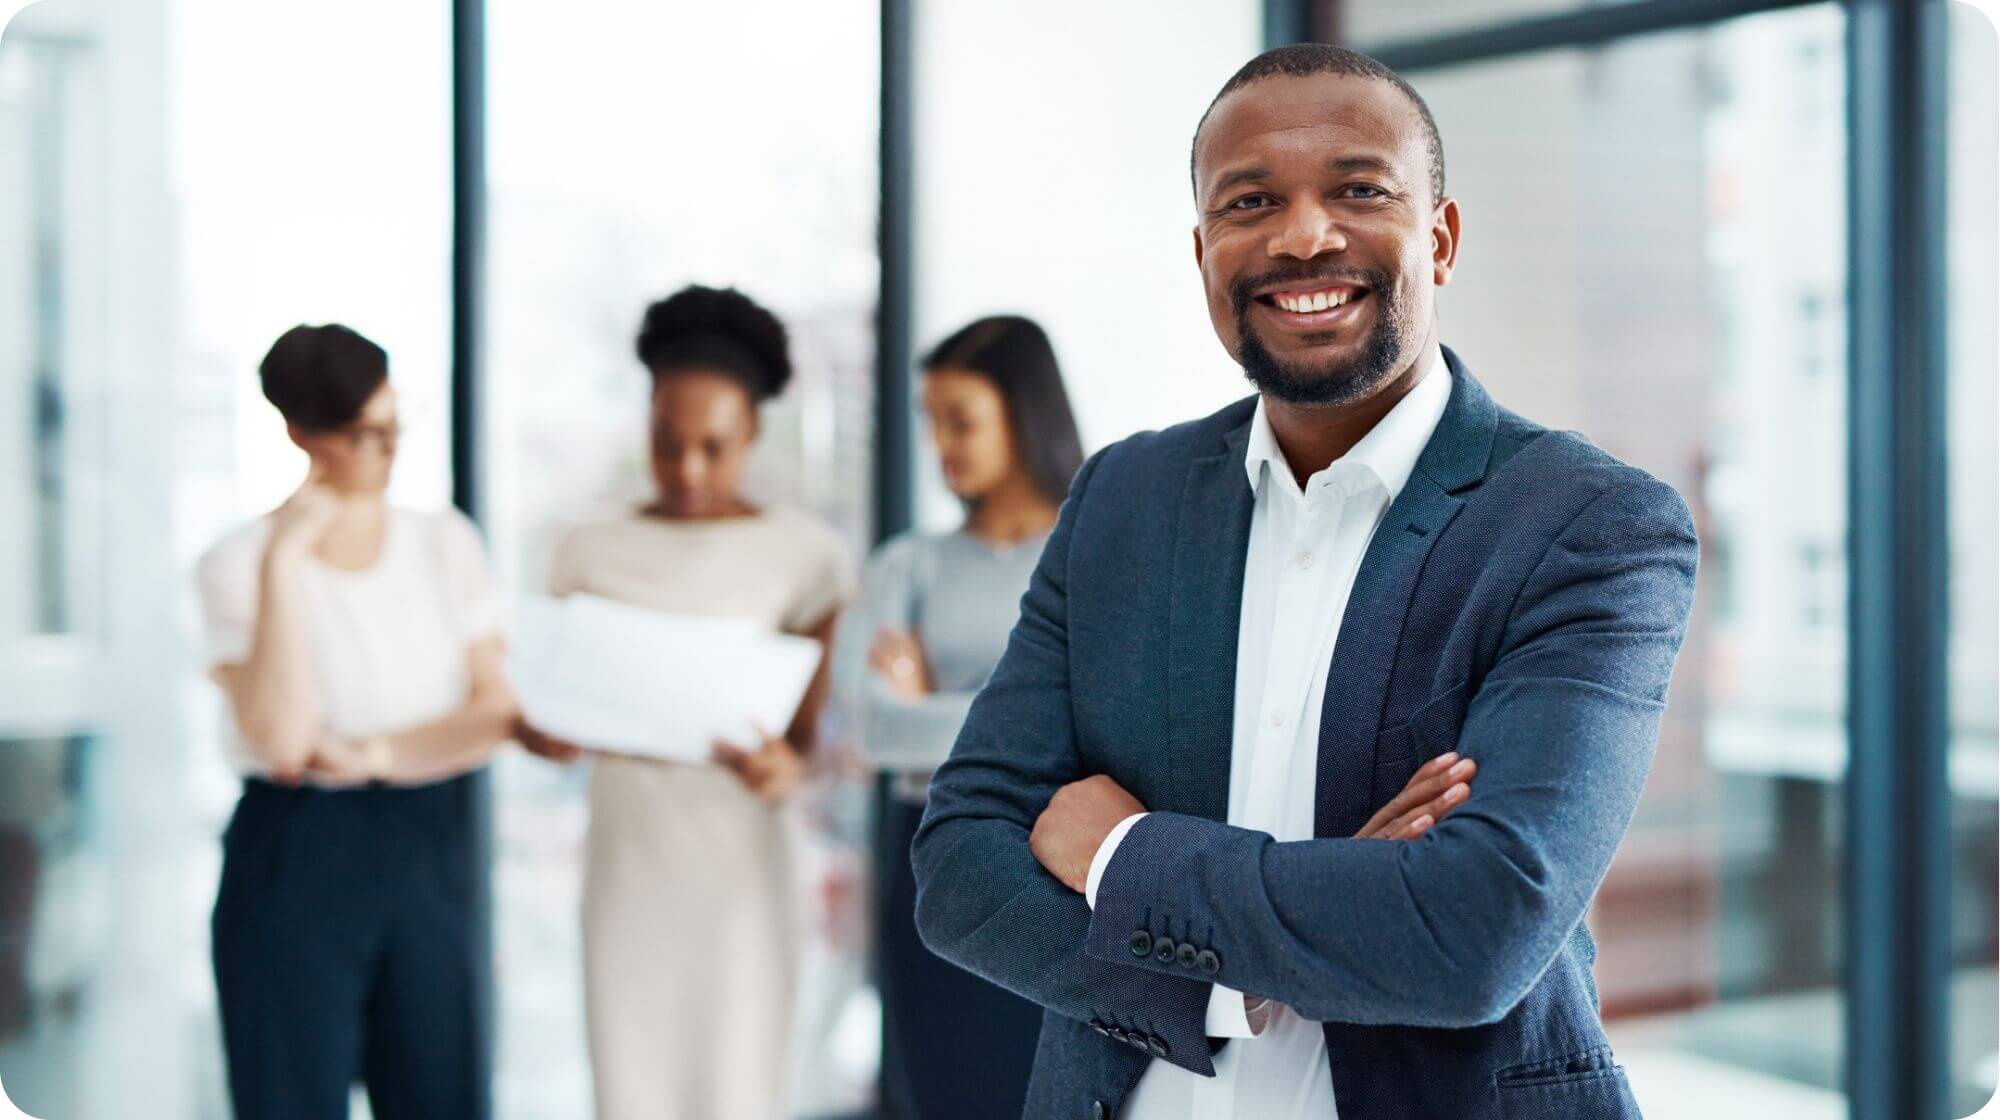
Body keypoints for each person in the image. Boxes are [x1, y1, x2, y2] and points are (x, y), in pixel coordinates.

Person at [911, 43, 1699, 1120]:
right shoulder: (1121, 499)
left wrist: (1122, 855)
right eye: (1250, 201)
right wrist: (1253, 964)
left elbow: (1475, 926)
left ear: (1440, 235)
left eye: (1356, 188)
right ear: (1203, 255)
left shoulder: (1585, 522)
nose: (1300, 235)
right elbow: (960, 864)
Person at [513, 285, 852, 1120]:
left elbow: (813, 742)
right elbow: (539, 709)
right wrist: (542, 735)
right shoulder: (583, 546)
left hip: (741, 875)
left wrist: (787, 770)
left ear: (753, 436)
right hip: (627, 870)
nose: (689, 469)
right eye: (669, 443)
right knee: (630, 1092)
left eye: (714, 445)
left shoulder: (805, 555)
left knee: (738, 1091)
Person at [194, 323, 519, 1119]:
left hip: (426, 844)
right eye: (363, 435)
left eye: (394, 425)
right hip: (293, 851)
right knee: (288, 1096)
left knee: (443, 1091)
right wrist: (285, 564)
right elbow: (281, 738)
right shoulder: (239, 562)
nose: (387, 449)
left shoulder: (443, 544)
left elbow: (493, 713)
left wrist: (374, 754)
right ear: (303, 435)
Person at [832, 316, 1084, 1118]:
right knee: (939, 1089)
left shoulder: (1096, 552)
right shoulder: (908, 564)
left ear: (1023, 413)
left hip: (1061, 875)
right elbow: (873, 731)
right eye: (931, 420)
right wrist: (1031, 717)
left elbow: (1095, 726)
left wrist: (930, 707)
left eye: (961, 420)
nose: (941, 443)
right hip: (926, 866)